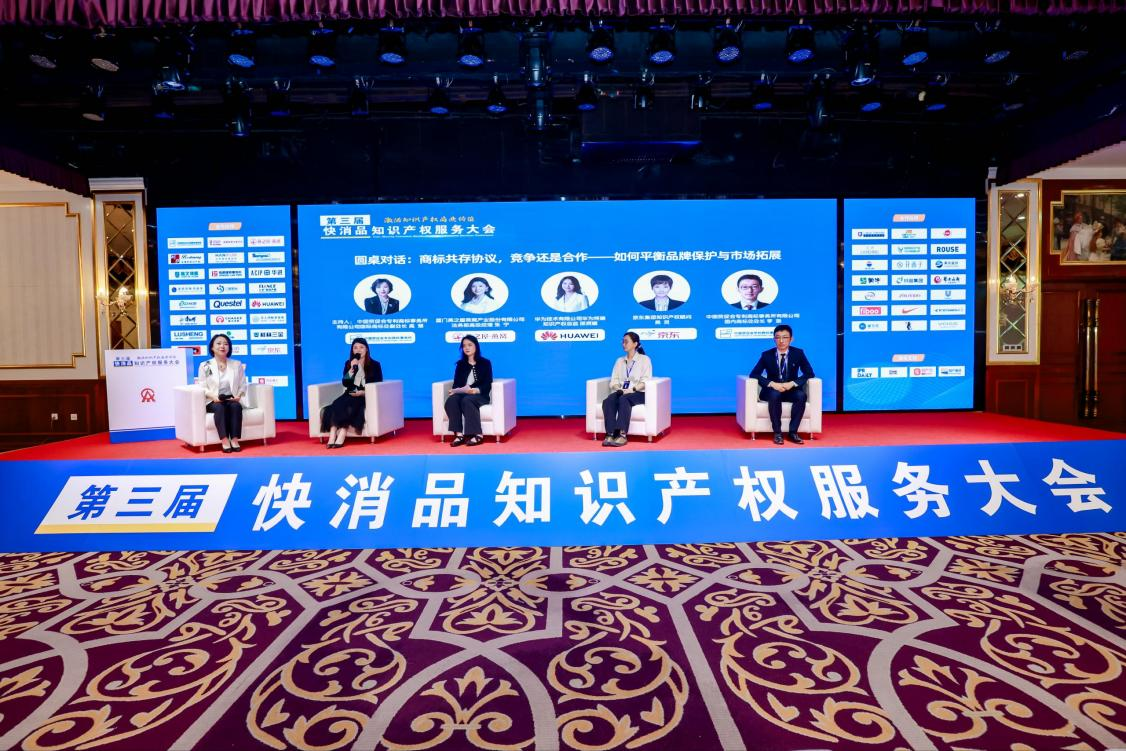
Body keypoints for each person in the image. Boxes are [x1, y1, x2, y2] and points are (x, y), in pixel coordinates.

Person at [749, 324, 815, 445]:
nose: (781, 341)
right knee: (775, 395)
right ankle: (777, 433)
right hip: (772, 391)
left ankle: (793, 432)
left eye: (785, 337)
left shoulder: (798, 353)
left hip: (790, 390)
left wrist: (793, 383)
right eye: (778, 337)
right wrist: (771, 383)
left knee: (801, 396)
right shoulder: (766, 355)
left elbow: (809, 373)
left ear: (791, 339)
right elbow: (754, 374)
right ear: (774, 339)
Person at [321, 337, 383, 448]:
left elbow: (378, 384)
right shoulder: (349, 363)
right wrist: (351, 370)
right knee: (336, 403)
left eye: (361, 347)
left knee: (350, 406)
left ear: (367, 349)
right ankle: (333, 433)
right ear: (352, 350)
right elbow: (345, 383)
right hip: (350, 394)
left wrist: (362, 392)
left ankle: (342, 432)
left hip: (366, 396)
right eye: (355, 348)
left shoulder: (375, 365)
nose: (358, 350)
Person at [601, 331, 653, 447]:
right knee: (608, 400)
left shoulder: (645, 360)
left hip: (638, 393)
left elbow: (645, 381)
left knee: (624, 399)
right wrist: (618, 388)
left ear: (635, 344)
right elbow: (614, 380)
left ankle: (622, 434)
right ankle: (610, 433)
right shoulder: (619, 361)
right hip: (622, 392)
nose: (623, 344)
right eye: (623, 342)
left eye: (626, 342)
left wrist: (632, 389)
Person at [197, 333, 247, 453]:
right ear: (212, 347)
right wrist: (213, 396)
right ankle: (224, 440)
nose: (222, 346)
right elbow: (202, 386)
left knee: (236, 406)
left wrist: (238, 395)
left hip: (231, 398)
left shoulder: (236, 364)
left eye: (225, 344)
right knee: (219, 408)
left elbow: (242, 384)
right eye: (218, 343)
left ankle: (234, 439)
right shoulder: (206, 365)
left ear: (229, 347)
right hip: (213, 400)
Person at [445, 335, 493, 447]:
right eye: (464, 346)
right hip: (463, 393)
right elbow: (456, 383)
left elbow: (487, 384)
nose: (466, 348)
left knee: (467, 400)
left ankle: (478, 434)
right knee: (451, 400)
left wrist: (476, 390)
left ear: (476, 346)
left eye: (470, 345)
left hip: (480, 395)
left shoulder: (485, 363)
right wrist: (455, 390)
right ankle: (459, 435)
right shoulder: (460, 364)